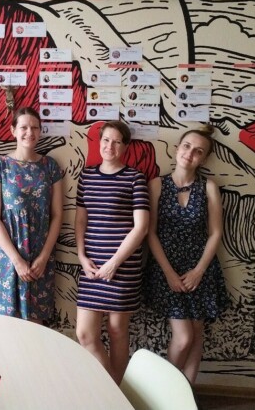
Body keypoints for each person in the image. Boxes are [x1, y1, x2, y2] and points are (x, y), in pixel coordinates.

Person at [144, 125, 230, 383]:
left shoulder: (209, 187)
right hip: (166, 268)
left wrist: (199, 271)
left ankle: (188, 395)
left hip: (200, 268)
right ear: (177, 148)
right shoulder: (157, 185)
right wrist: (169, 273)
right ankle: (164, 393)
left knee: (196, 333)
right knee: (184, 338)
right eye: (187, 146)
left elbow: (215, 233)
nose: (190, 153)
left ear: (203, 158)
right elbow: (150, 233)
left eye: (198, 151)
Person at [75, 121, 149, 384]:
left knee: (117, 331)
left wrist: (115, 262)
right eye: (106, 140)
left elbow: (141, 227)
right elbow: (80, 220)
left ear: (125, 146)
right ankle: (111, 388)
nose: (110, 146)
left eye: (117, 142)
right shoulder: (87, 176)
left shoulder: (135, 178)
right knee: (85, 335)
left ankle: (118, 391)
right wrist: (81, 256)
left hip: (123, 266)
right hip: (91, 265)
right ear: (100, 142)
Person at [0, 107, 64, 323]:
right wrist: (16, 260)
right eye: (24, 127)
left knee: (36, 323)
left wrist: (44, 257)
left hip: (40, 254)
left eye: (35, 128)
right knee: (6, 323)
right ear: (13, 130)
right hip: (6, 255)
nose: (30, 132)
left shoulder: (50, 166)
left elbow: (57, 215)